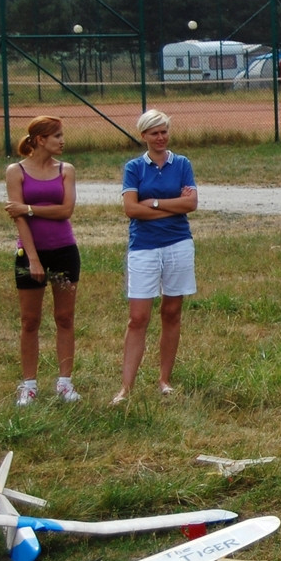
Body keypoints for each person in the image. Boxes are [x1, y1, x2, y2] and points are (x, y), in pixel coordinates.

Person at [112, 109, 198, 405]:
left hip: (178, 243)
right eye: (154, 133)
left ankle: (164, 380)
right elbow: (131, 209)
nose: (160, 138)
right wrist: (174, 205)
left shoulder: (182, 164)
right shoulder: (134, 167)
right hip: (144, 246)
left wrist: (156, 202)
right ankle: (126, 387)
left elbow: (192, 203)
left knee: (172, 312)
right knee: (138, 318)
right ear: (144, 136)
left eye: (164, 132)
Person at [4, 116, 81, 406]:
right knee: (30, 321)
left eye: (62, 135)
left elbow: (65, 210)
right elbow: (18, 217)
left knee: (64, 317)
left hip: (64, 251)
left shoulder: (66, 170)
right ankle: (29, 385)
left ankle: (64, 383)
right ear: (40, 140)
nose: (62, 140)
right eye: (56, 136)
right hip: (30, 255)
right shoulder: (16, 171)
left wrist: (29, 207)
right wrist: (33, 259)